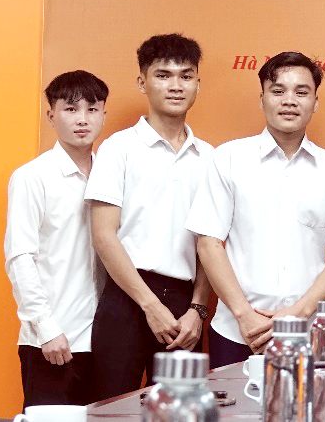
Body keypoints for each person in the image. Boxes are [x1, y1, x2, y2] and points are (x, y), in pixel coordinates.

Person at [187, 51, 325, 368]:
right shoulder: (229, 158)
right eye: (278, 91)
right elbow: (208, 243)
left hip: (308, 332)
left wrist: (299, 313)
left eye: (301, 92)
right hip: (237, 332)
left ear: (315, 102)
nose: (289, 101)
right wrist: (245, 316)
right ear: (262, 99)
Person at [86, 33, 214, 400]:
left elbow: (211, 242)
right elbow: (103, 235)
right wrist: (149, 305)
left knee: (180, 411)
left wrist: (198, 309)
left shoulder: (210, 158)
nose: (176, 85)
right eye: (163, 75)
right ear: (142, 82)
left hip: (185, 306)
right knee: (112, 409)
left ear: (198, 84)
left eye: (186, 76)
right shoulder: (118, 148)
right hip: (127, 297)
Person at [4, 70, 108, 407]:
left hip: (105, 341)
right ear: (51, 116)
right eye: (71, 109)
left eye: (92, 109)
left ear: (104, 115)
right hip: (52, 340)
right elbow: (20, 258)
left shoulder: (111, 176)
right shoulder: (33, 177)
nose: (82, 119)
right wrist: (46, 328)